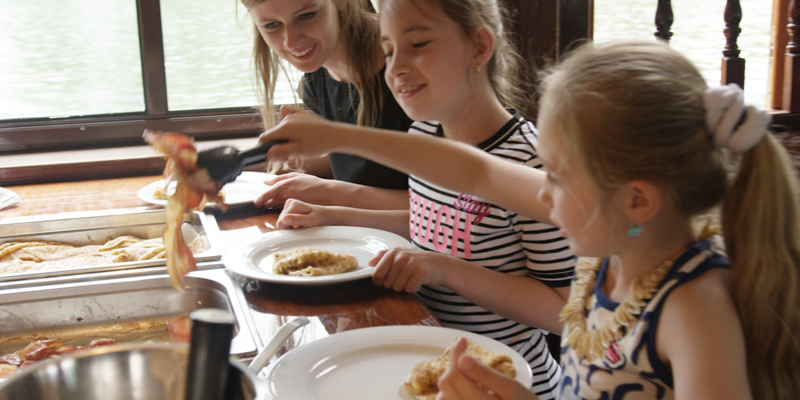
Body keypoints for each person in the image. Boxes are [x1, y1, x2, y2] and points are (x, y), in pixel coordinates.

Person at [258, 39, 799, 399]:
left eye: (557, 176)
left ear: (637, 201)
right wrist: (337, 136)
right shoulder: (616, 241)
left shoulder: (693, 308)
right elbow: (474, 171)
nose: (542, 190)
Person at [271, 0, 575, 398]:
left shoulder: (530, 161)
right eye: (388, 51)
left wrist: (445, 270)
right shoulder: (425, 134)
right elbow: (430, 220)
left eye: (418, 45)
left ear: (480, 47)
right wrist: (332, 215)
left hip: (504, 384)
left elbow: (564, 313)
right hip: (426, 368)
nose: (395, 69)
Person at [241, 0, 412, 210]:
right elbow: (361, 163)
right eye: (271, 25)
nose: (291, 42)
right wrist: (246, 163)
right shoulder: (315, 78)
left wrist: (331, 193)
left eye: (306, 16)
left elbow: (445, 203)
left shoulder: (412, 64)